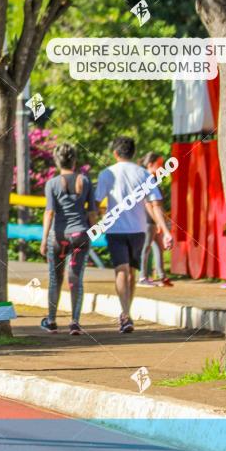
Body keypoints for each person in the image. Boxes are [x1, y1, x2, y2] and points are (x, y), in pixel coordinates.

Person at [94, 137, 173, 333]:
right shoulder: (144, 174)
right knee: (131, 272)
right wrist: (166, 231)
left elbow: (96, 202)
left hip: (115, 230)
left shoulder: (107, 173)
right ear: (134, 153)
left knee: (121, 271)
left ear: (115, 153)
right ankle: (126, 313)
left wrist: (97, 223)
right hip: (138, 230)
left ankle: (125, 314)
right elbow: (155, 204)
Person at [39, 144, 98, 335]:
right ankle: (74, 322)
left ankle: (51, 320)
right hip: (80, 234)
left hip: (58, 236)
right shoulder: (86, 181)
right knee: (75, 279)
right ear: (74, 161)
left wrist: (43, 239)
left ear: (57, 161)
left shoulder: (52, 183)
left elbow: (49, 213)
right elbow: (92, 213)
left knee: (55, 278)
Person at [138, 152, 172, 287]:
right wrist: (159, 222)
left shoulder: (153, 179)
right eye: (160, 165)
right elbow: (149, 205)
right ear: (150, 165)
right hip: (147, 220)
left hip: (153, 220)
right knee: (145, 248)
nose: (162, 168)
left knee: (158, 246)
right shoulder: (146, 179)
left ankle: (162, 275)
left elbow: (158, 205)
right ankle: (142, 277)